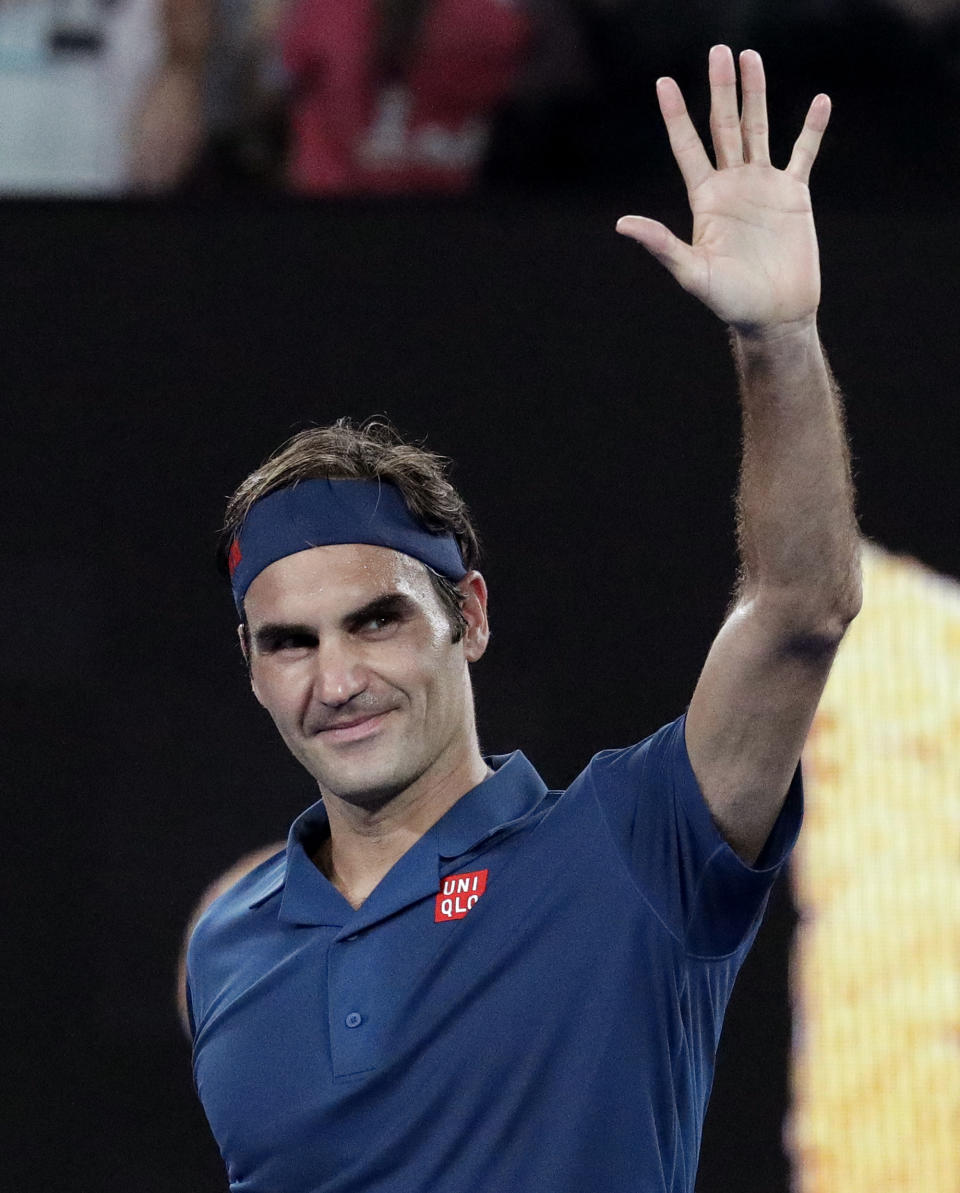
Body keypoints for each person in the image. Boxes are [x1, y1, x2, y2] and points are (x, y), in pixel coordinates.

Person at [184, 46, 861, 1193]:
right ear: (250, 667)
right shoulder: (226, 936)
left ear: (470, 617)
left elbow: (802, 609)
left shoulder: (634, 845)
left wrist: (776, 341)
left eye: (377, 621)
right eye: (289, 641)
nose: (335, 676)